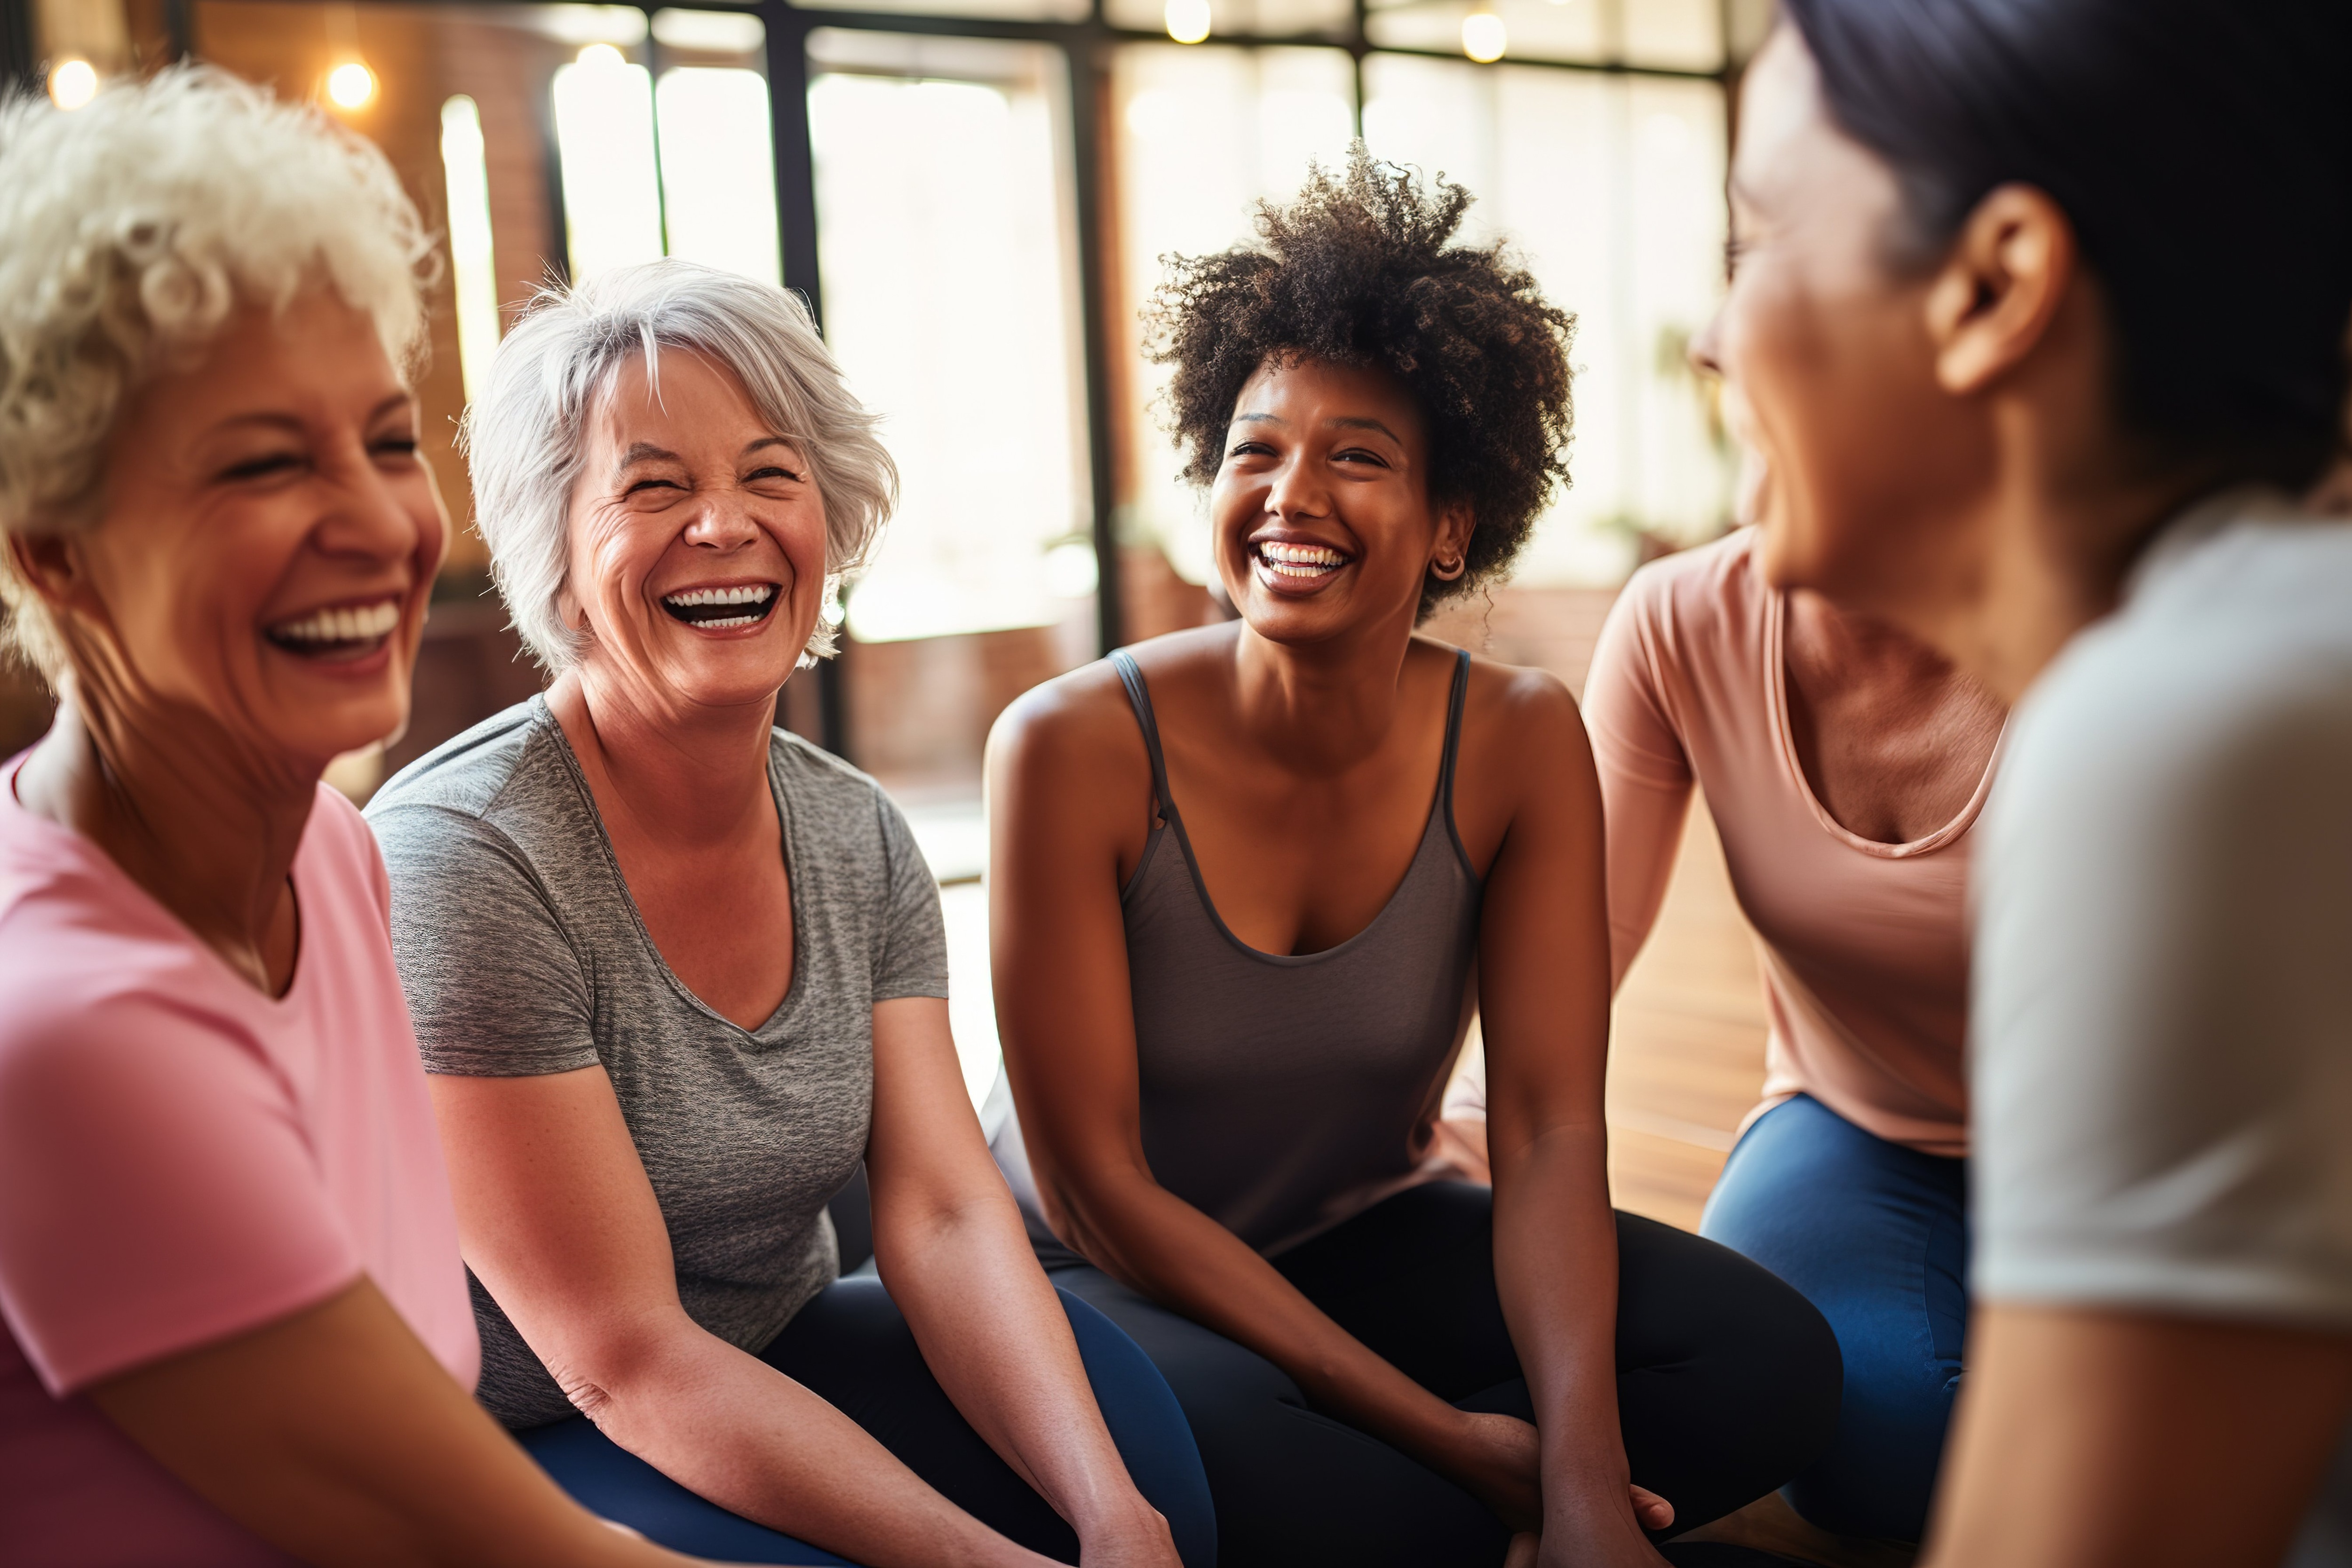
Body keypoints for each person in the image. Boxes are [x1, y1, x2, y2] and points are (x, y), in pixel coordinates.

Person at [985, 150, 1841, 1568]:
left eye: (1357, 456)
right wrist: (1459, 1441)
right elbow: (1096, 1191)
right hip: (1094, 1272)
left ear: (1453, 526)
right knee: (1378, 1508)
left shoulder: (1515, 738)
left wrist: (1577, 1469)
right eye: (1254, 448)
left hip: (1362, 1232)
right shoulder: (1071, 745)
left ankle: (1466, 1505)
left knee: (1774, 1365)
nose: (1289, 493)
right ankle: (1424, 1487)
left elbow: (1554, 1127)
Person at [366, 259, 1212, 1568]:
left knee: (1154, 1482)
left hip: (779, 1340)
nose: (725, 523)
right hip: (517, 1433)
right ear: (557, 550)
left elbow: (937, 1206)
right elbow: (624, 1358)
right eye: (654, 486)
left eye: (771, 473)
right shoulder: (466, 861)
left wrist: (1111, 1515)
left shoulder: (853, 828)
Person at [0, 68, 718, 1568]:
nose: (380, 523)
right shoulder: (67, 1030)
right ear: (56, 553)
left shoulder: (328, 851)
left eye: (388, 442)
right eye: (264, 463)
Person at [1694, 3, 2352, 1565]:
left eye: (1758, 232)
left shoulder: (2190, 714)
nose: (1712, 333)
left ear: (1994, 285)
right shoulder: (2266, 634)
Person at [1573, 386, 2002, 1542]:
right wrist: (1456, 1116)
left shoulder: (2118, 621)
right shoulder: (1680, 617)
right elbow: (1580, 943)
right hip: (1862, 1129)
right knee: (1875, 1450)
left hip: (2145, 1145)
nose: (1716, 347)